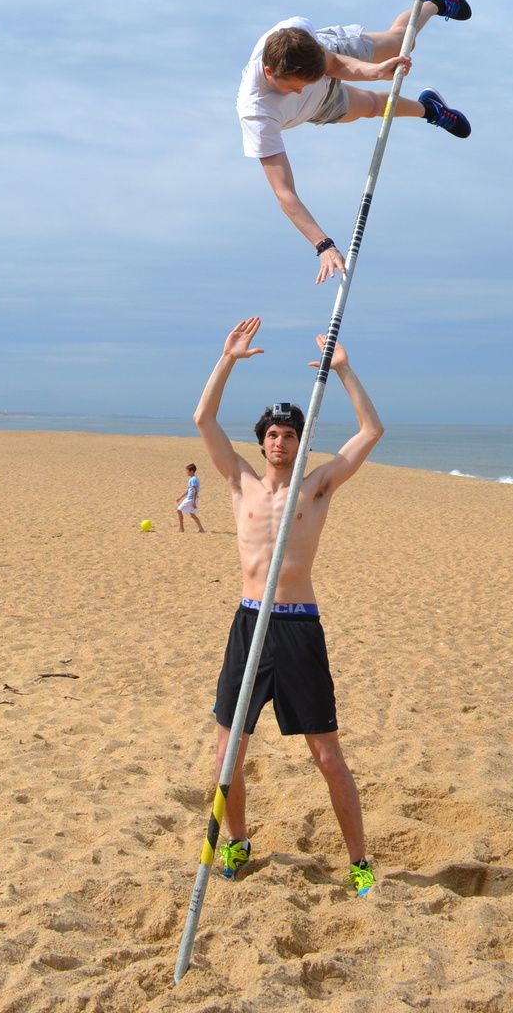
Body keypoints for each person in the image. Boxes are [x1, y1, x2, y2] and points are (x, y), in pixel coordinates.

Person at [193, 315, 383, 897]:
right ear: (262, 441)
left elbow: (371, 430)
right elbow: (203, 419)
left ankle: (358, 862)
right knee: (230, 752)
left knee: (326, 755)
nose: (279, 441)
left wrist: (345, 370)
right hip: (249, 622)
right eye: (272, 434)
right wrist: (227, 358)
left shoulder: (317, 487)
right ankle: (238, 842)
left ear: (301, 440)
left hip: (298, 627)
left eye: (289, 433)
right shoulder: (239, 482)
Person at [236, 0, 472, 283]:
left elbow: (333, 64)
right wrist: (323, 244)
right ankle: (430, 110)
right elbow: (284, 192)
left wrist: (375, 72)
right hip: (316, 106)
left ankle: (433, 2)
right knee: (373, 107)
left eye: (301, 85)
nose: (298, 91)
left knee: (400, 43)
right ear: (269, 73)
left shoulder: (297, 37)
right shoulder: (256, 113)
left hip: (328, 56)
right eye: (292, 88)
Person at [176, 462, 205, 534]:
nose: (186, 472)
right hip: (191, 498)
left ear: (191, 471)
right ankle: (201, 529)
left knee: (179, 510)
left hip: (191, 499)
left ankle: (181, 528)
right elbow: (188, 490)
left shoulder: (193, 479)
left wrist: (194, 502)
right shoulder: (192, 479)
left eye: (187, 471)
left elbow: (195, 490)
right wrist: (180, 498)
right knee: (192, 514)